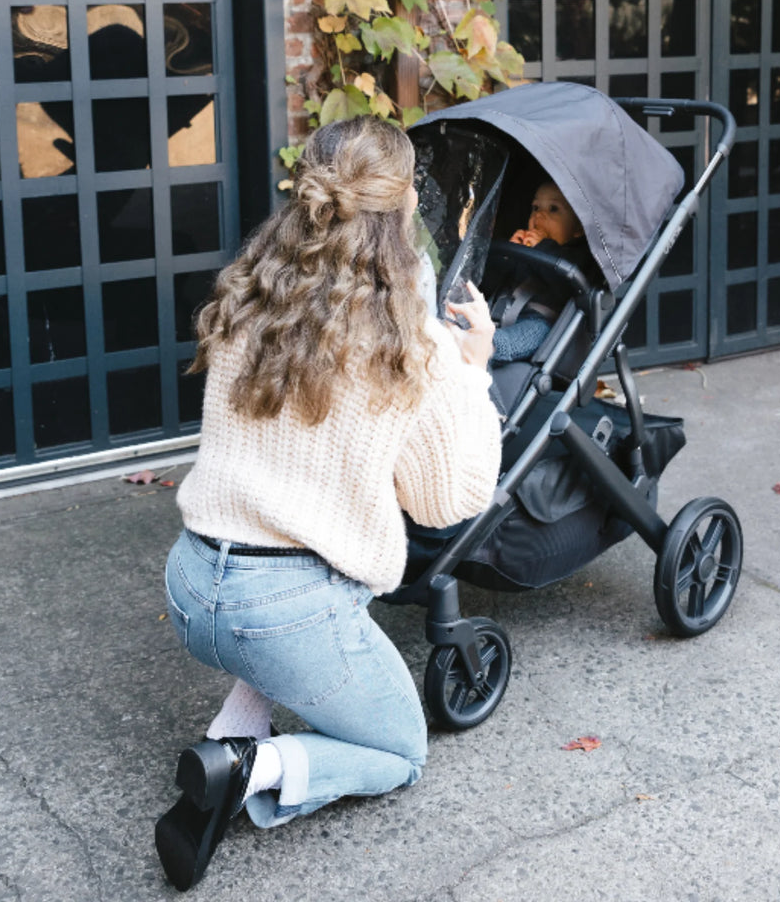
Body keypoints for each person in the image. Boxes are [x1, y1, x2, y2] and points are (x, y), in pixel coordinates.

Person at [156, 115, 502, 892]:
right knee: (400, 754)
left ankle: (231, 733)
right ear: (408, 201)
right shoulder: (407, 335)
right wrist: (473, 368)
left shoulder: (253, 287)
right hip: (282, 612)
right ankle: (251, 766)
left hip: (191, 583)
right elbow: (451, 499)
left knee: (300, 569)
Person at [491, 181, 590, 363]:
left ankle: (492, 347)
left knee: (521, 337)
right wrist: (508, 255)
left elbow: (564, 287)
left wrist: (542, 248)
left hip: (541, 322)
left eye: (553, 209)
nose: (539, 215)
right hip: (499, 312)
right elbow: (490, 283)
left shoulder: (575, 258)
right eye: (535, 207)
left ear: (578, 228)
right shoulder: (523, 247)